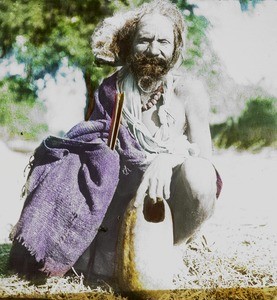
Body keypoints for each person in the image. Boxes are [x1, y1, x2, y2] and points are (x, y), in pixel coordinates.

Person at [9, 0, 222, 286]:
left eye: (163, 41)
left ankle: (175, 247)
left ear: (176, 49)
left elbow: (206, 162)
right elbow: (95, 152)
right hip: (124, 196)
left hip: (173, 192)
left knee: (199, 175)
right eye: (144, 40)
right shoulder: (112, 88)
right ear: (129, 45)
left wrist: (165, 160)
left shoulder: (189, 91)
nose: (153, 50)